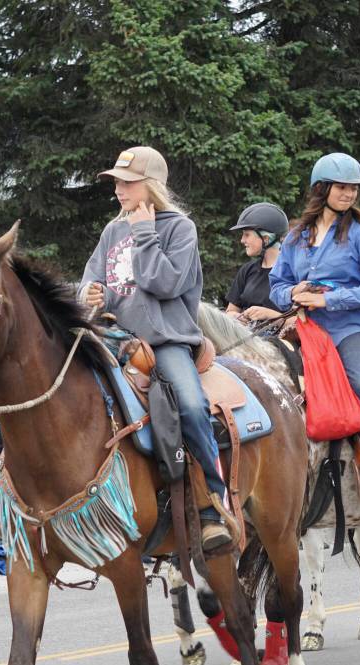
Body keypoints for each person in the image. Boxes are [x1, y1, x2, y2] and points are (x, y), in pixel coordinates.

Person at [80, 145, 231, 551]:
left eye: (127, 183)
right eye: (116, 183)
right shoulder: (112, 231)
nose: (118, 190)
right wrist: (92, 295)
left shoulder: (180, 229)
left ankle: (213, 504)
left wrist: (145, 234)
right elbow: (94, 281)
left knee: (192, 405)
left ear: (151, 186)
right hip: (115, 339)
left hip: (164, 342)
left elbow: (165, 285)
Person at [269, 152, 360, 499]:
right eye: (342, 187)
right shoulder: (295, 238)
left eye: (354, 188)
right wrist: (293, 292)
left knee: (359, 379)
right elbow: (277, 286)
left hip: (353, 326)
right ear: (321, 188)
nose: (350, 194)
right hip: (309, 328)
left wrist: (327, 300)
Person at [224, 202, 289, 333]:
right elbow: (230, 311)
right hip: (246, 341)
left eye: (247, 234)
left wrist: (270, 315)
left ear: (266, 238)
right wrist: (236, 317)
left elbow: (303, 322)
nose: (242, 240)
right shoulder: (247, 270)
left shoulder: (293, 271)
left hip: (281, 345)